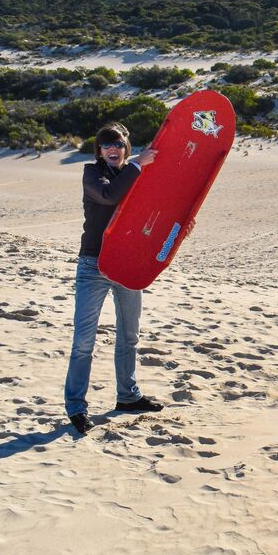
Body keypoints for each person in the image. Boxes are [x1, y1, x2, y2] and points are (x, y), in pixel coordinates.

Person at [64, 122, 164, 435]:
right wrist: (137, 165)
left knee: (129, 335)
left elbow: (154, 214)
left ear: (125, 148)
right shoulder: (92, 175)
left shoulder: (135, 175)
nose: (113, 149)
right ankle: (76, 407)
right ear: (99, 150)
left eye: (119, 145)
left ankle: (128, 397)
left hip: (128, 264)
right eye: (107, 145)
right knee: (84, 341)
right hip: (93, 265)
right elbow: (108, 196)